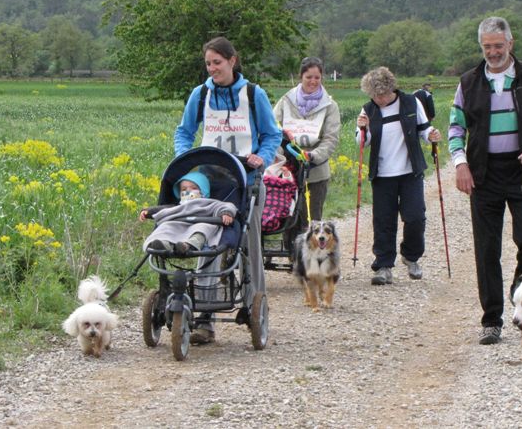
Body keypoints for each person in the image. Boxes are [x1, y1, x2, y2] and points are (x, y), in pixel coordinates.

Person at [448, 16, 522, 345]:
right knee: (486, 248)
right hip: (482, 173)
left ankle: (518, 295)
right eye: (487, 47)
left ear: (510, 44)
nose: (492, 52)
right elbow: (455, 128)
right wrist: (460, 163)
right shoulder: (468, 82)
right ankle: (491, 318)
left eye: (498, 45)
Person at [174, 37, 282, 343]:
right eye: (208, 64)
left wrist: (262, 156)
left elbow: (271, 133)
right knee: (208, 241)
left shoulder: (252, 93)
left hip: (246, 179)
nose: (212, 69)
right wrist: (185, 157)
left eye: (217, 63)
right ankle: (204, 318)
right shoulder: (201, 94)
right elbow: (184, 131)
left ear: (232, 61)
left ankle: (253, 306)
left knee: (249, 244)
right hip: (211, 178)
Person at [355, 66, 441, 285]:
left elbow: (424, 130)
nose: (379, 99)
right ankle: (383, 266)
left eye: (382, 94)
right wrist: (362, 129)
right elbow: (362, 143)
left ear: (391, 88)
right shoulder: (368, 110)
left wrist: (431, 135)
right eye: (374, 95)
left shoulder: (411, 103)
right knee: (383, 221)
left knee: (415, 217)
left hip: (410, 171)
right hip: (383, 175)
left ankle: (411, 257)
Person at [140, 171, 239, 345]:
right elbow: (163, 210)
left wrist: (226, 214)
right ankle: (163, 243)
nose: (188, 192)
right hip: (179, 227)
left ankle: (189, 245)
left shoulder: (210, 203)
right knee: (167, 226)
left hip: (200, 226)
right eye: (184, 189)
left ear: (203, 192)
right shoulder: (178, 206)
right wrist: (148, 212)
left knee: (203, 227)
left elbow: (228, 207)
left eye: (193, 188)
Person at [273, 56, 341, 238]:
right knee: (291, 214)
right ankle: (293, 254)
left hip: (316, 168)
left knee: (314, 217)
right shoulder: (286, 101)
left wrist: (314, 155)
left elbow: (331, 138)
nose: (313, 81)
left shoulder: (330, 106)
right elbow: (272, 129)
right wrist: (280, 155)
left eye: (317, 78)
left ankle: (313, 256)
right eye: (308, 77)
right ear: (301, 77)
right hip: (289, 168)